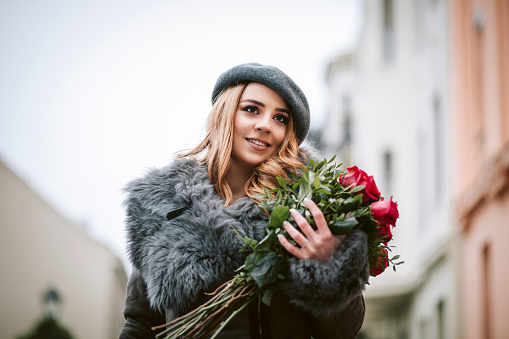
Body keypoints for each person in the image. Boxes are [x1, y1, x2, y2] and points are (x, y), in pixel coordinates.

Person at [119, 63, 369, 339]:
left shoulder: (310, 211)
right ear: (225, 114)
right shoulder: (164, 207)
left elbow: (344, 331)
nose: (265, 125)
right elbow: (140, 325)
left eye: (280, 118)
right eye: (252, 109)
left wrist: (328, 266)